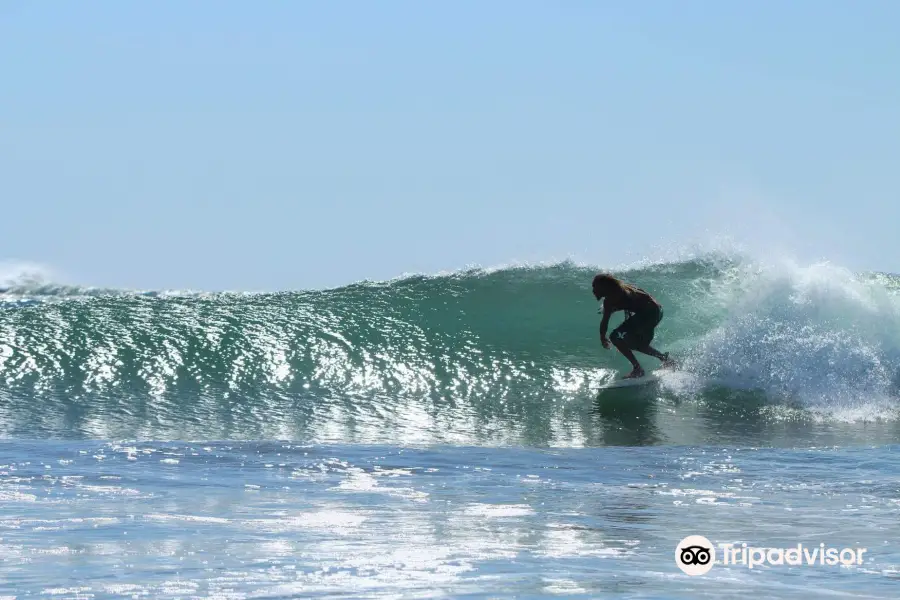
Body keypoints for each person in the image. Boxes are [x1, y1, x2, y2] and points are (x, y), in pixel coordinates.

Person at [592, 273, 674, 379]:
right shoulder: (624, 289)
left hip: (649, 313)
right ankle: (665, 359)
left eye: (595, 287)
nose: (593, 290)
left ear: (604, 287)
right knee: (637, 345)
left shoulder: (613, 298)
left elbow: (605, 321)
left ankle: (638, 369)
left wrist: (602, 337)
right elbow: (636, 303)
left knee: (615, 337)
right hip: (657, 311)